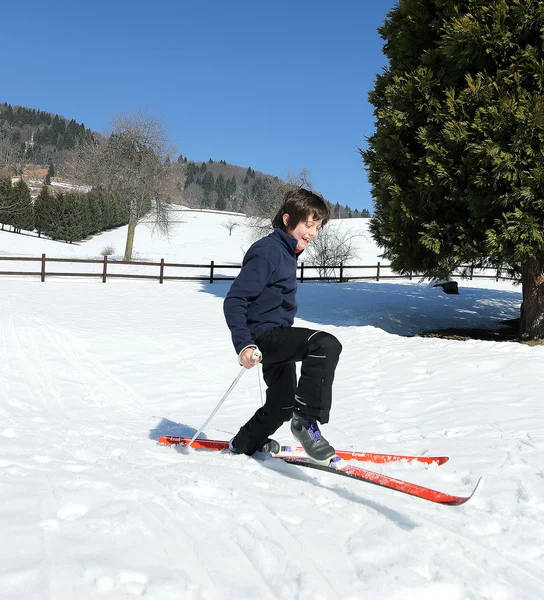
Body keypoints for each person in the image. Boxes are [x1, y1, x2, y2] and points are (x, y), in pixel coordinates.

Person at [223, 188, 342, 465]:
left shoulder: (287, 252)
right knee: (325, 344)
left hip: (277, 337)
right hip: (265, 338)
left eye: (318, 227)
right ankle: (306, 421)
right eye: (308, 225)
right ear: (288, 220)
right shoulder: (268, 251)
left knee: (282, 404)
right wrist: (244, 344)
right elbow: (236, 300)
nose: (312, 233)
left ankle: (243, 443)